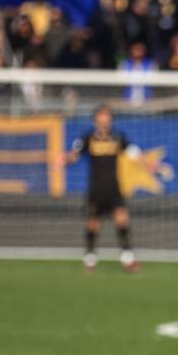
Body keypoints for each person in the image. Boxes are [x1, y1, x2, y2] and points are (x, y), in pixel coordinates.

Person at [62, 106, 141, 273]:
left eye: (107, 117)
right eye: (101, 117)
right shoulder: (88, 138)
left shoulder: (118, 136)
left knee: (122, 220)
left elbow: (134, 154)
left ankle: (128, 259)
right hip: (96, 189)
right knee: (93, 224)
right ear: (96, 119)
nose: (104, 120)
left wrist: (149, 164)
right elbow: (74, 155)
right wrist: (64, 159)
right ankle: (90, 259)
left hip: (114, 188)